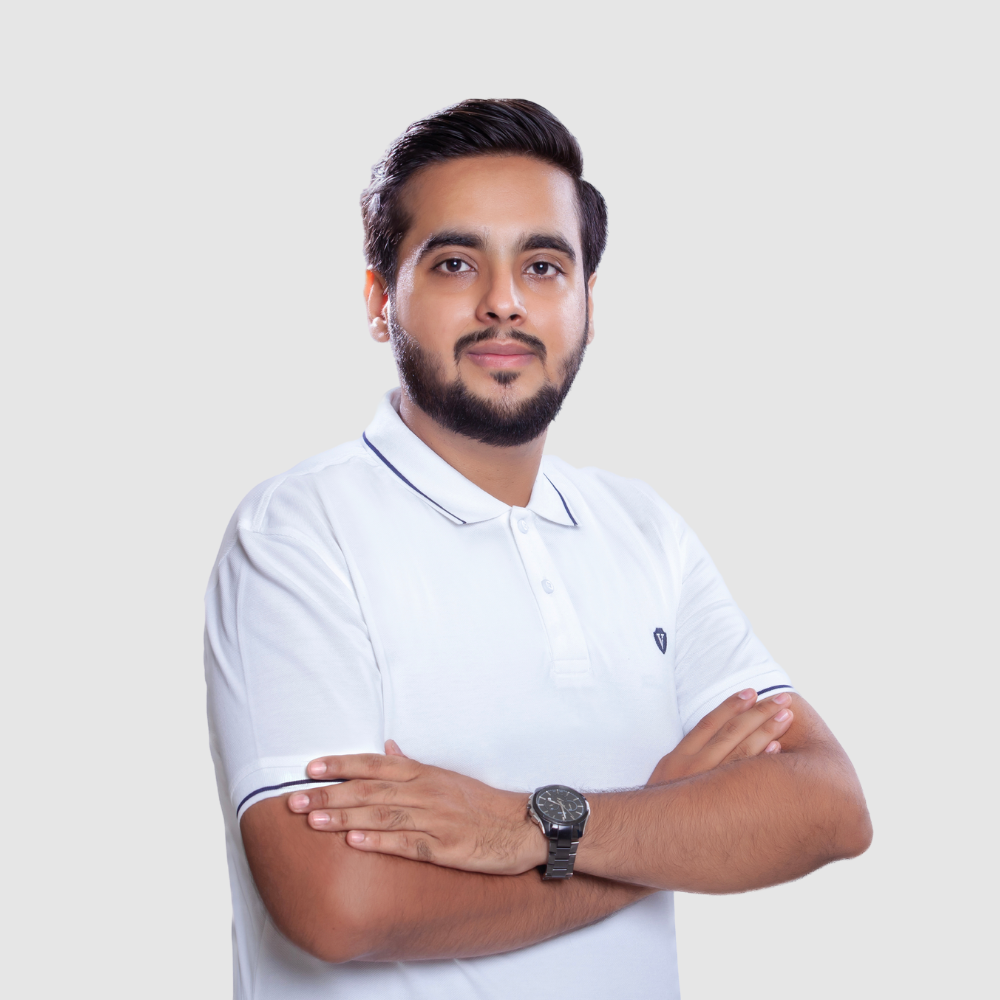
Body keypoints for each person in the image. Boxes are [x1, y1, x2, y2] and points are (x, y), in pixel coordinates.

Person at [204, 98, 871, 999]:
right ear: (378, 301)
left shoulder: (645, 531)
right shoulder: (297, 533)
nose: (504, 301)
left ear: (588, 304)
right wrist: (661, 832)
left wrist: (529, 828)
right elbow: (338, 905)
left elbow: (827, 806)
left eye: (544, 266)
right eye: (454, 262)